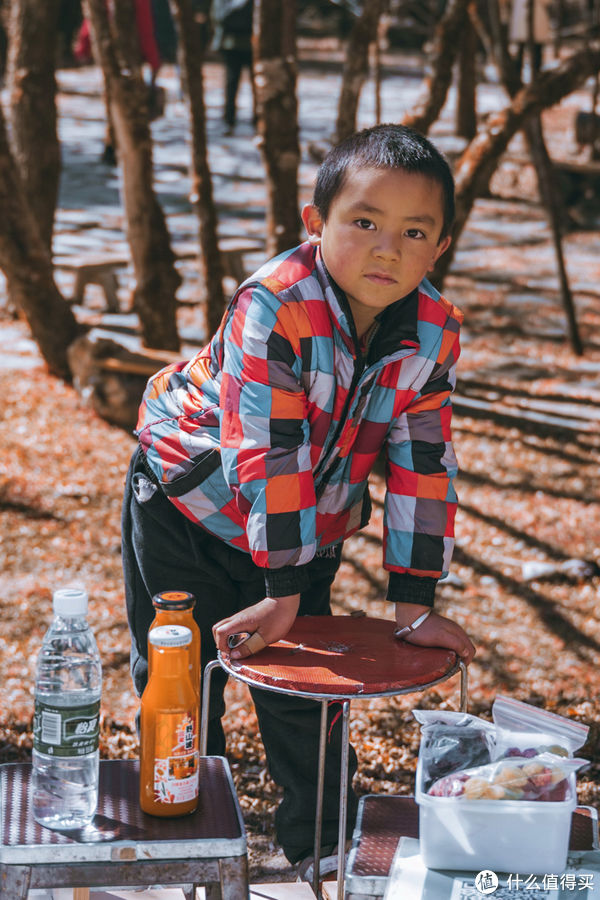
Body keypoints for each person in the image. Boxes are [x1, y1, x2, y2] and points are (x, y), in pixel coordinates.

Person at [122, 123, 476, 875]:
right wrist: (283, 588)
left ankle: (322, 852)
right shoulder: (274, 305)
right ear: (316, 225)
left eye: (415, 232)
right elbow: (265, 451)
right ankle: (188, 846)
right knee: (182, 675)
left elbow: (423, 461)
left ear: (441, 245)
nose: (388, 249)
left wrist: (412, 599)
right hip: (190, 502)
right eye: (365, 223)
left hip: (307, 519)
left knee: (311, 690)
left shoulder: (434, 333)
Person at [211, 0, 254, 134]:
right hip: (232, 45)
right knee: (232, 83)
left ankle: (258, 118)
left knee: (256, 83)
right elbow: (217, 17)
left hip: (250, 44)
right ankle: (229, 119)